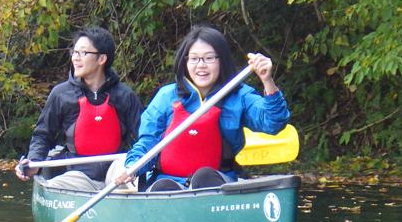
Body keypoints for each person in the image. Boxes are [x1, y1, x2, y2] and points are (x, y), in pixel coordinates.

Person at [115, 25, 290, 191]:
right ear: (185, 61)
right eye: (194, 58)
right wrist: (132, 167)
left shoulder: (239, 95)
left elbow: (274, 122)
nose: (201, 65)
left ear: (221, 60)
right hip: (166, 182)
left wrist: (267, 80)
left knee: (204, 177)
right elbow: (147, 143)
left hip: (218, 181)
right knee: (165, 186)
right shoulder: (166, 96)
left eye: (209, 58)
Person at [15, 26, 143, 191]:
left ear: (101, 59)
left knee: (125, 168)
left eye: (82, 53)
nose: (76, 58)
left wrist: (134, 166)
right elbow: (43, 135)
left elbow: (145, 136)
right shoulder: (61, 94)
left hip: (116, 175)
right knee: (54, 186)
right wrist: (33, 163)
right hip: (77, 176)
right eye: (74, 52)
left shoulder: (124, 96)